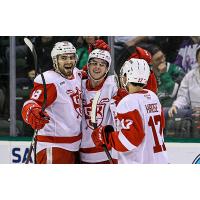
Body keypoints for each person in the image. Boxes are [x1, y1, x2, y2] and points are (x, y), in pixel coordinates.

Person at [92, 58, 169, 164]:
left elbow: (130, 141)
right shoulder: (152, 96)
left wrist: (107, 137)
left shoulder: (127, 102)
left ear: (126, 77)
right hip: (161, 160)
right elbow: (161, 126)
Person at [21, 41, 82, 164]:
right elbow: (32, 102)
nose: (69, 61)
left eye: (71, 57)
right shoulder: (50, 80)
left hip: (75, 146)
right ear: (55, 60)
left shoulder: (77, 74)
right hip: (53, 145)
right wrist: (32, 111)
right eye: (63, 58)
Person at [80, 46, 118, 164]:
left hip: (106, 153)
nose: (97, 67)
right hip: (81, 153)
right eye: (94, 63)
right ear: (88, 65)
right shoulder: (78, 85)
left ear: (107, 69)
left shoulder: (113, 86)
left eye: (102, 64)